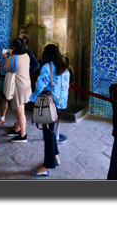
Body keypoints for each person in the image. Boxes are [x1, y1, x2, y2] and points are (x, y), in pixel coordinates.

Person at [30, 44, 70, 176]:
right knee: (52, 131)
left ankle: (48, 165)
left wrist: (32, 97)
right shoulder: (65, 69)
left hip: (49, 105)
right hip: (60, 106)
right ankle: (55, 156)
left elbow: (41, 84)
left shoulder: (47, 67)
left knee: (48, 135)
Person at [0, 31, 40, 129]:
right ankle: (4, 119)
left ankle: (19, 127)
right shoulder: (16, 53)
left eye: (19, 38)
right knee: (7, 99)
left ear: (24, 41)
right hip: (12, 82)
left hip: (18, 83)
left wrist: (25, 72)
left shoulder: (27, 53)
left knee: (19, 107)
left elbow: (36, 64)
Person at [2, 37, 32, 142]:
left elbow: (5, 68)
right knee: (21, 109)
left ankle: (23, 135)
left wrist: (6, 57)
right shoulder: (26, 56)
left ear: (14, 47)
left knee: (19, 111)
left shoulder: (13, 58)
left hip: (18, 86)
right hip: (26, 85)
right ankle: (18, 129)